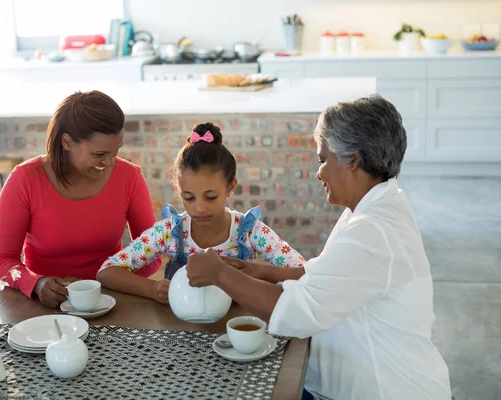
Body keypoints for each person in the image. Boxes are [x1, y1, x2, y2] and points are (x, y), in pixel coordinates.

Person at [185, 96, 452, 400]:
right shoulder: (374, 208)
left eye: (323, 159)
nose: (319, 173)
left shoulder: (371, 232)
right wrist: (265, 271)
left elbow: (298, 313)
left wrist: (219, 273)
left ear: (352, 158)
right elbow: (331, 277)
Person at [97, 122, 306, 304]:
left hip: (234, 327)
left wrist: (260, 272)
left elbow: (304, 273)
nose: (199, 208)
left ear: (230, 187)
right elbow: (107, 271)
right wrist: (151, 289)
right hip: (179, 331)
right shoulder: (170, 232)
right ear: (179, 192)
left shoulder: (250, 232)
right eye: (189, 197)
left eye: (211, 197)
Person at [0, 90, 161, 308]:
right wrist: (37, 284)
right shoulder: (24, 180)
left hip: (110, 300)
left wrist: (107, 284)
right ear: (67, 142)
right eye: (99, 154)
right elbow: (3, 261)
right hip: (44, 304)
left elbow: (152, 254)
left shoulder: (130, 177)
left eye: (115, 151)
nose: (109, 162)